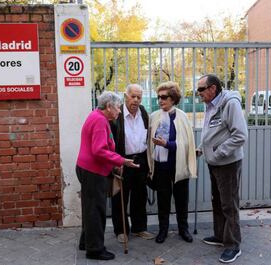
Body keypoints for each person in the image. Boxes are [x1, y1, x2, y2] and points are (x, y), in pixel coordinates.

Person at [76, 91, 139, 261]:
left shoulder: (98, 117)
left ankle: (86, 242)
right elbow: (99, 150)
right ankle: (95, 249)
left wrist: (114, 164)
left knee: (90, 208)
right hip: (93, 171)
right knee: (96, 210)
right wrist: (121, 161)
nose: (119, 111)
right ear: (109, 107)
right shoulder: (99, 120)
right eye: (118, 108)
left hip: (89, 168)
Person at [196, 74, 248, 263]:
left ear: (213, 88)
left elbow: (240, 135)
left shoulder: (230, 104)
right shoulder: (210, 105)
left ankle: (233, 245)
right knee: (217, 201)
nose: (198, 93)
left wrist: (217, 153)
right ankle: (220, 236)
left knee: (229, 204)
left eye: (201, 89)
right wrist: (202, 149)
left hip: (227, 164)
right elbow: (213, 132)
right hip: (214, 163)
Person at [147, 81, 197, 244]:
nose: (160, 100)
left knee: (182, 200)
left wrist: (167, 144)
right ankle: (163, 230)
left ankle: (184, 229)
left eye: (164, 97)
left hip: (178, 165)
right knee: (163, 200)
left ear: (173, 98)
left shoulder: (182, 117)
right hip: (161, 167)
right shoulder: (154, 116)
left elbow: (187, 144)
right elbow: (148, 141)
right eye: (158, 97)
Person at [110, 84, 155, 244]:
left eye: (139, 97)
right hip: (123, 161)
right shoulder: (117, 114)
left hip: (140, 160)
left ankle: (139, 228)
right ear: (125, 96)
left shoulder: (143, 112)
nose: (136, 100)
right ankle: (121, 230)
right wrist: (116, 162)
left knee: (140, 196)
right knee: (120, 197)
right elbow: (111, 140)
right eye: (133, 96)